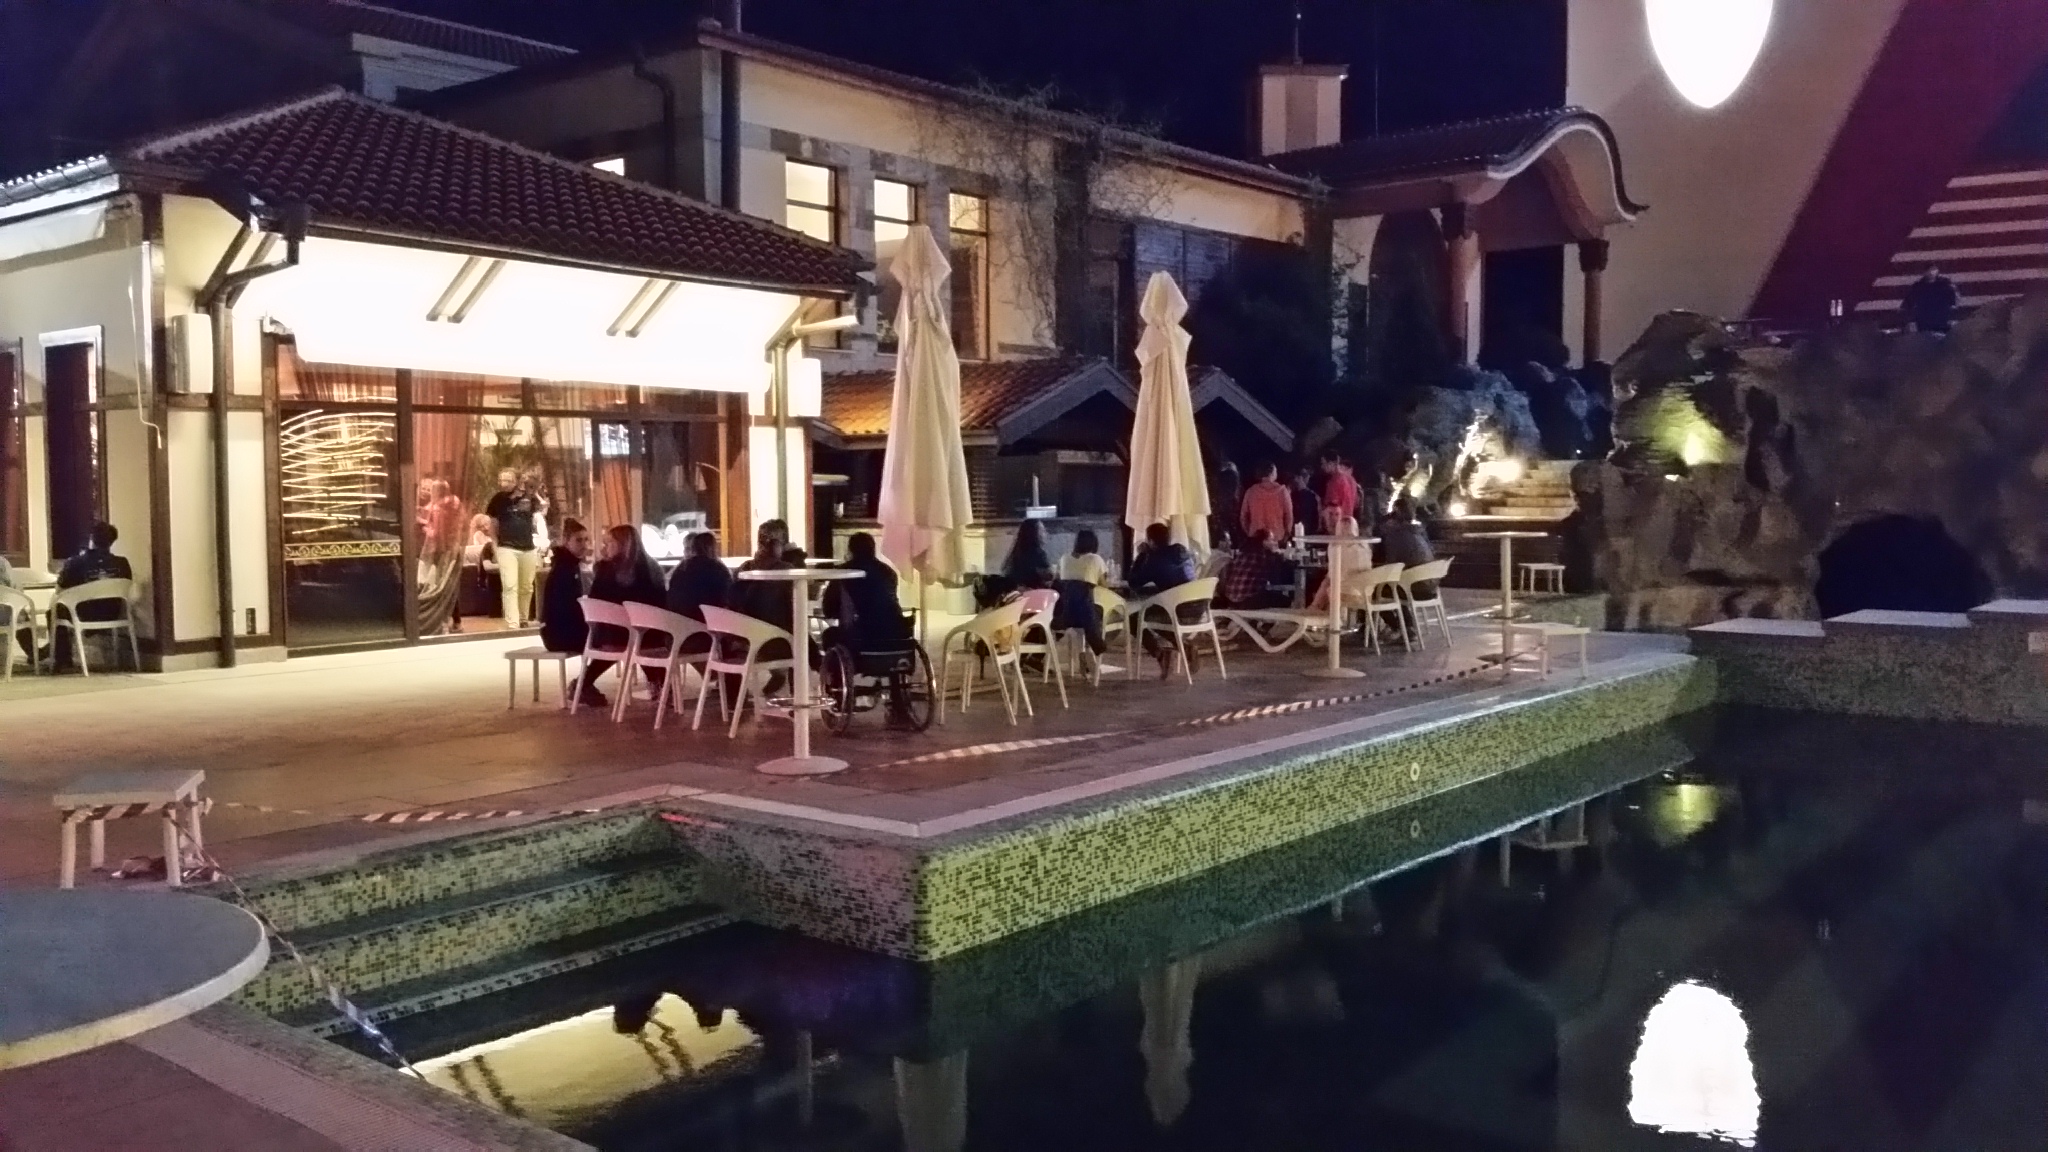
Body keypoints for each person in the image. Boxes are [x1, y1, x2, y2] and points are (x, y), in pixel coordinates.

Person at [539, 519, 606, 708]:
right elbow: (565, 609)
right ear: (566, 541)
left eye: (586, 540)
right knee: (610, 641)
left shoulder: (570, 565)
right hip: (558, 634)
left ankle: (585, 683)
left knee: (609, 639)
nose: (584, 544)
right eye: (578, 540)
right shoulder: (564, 569)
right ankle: (584, 683)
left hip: (562, 629)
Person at [1127, 522, 1197, 678]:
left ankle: (1160, 654)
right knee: (1154, 615)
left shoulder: (1154, 559)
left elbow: (1134, 582)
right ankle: (1184, 647)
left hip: (1175, 611)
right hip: (1197, 608)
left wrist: (1142, 555)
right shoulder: (1182, 550)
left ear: (1151, 541)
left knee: (1134, 620)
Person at [821, 532, 910, 651]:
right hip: (894, 634)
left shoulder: (842, 573)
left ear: (850, 550)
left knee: (829, 635)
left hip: (858, 637)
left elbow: (828, 610)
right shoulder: (888, 572)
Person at [485, 468, 541, 628]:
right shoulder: (497, 500)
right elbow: (493, 526)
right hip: (506, 547)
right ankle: (512, 622)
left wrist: (529, 489)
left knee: (526, 587)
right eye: (501, 480)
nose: (504, 483)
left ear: (516, 482)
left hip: (528, 547)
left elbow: (540, 504)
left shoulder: (528, 497)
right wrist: (495, 547)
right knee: (510, 585)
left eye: (508, 480)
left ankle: (523, 618)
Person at [57, 521, 133, 621]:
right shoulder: (122, 563)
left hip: (82, 616)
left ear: (91, 539)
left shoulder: (74, 563)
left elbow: (59, 589)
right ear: (112, 542)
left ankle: (63, 631)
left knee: (55, 609)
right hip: (113, 614)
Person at [1054, 529, 1111, 656]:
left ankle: (1086, 650)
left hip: (1066, 615)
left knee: (1077, 592)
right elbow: (1104, 588)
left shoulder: (1064, 558)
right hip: (1087, 614)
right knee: (1097, 604)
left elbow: (1057, 582)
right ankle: (1091, 645)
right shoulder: (1095, 559)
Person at [666, 530, 731, 623]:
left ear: (694, 549)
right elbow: (727, 599)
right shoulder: (720, 570)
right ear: (714, 548)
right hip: (709, 622)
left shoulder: (682, 568)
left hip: (679, 621)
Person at [1217, 530, 1290, 610]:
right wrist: (1277, 554)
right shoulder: (1262, 555)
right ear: (1264, 541)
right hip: (1248, 600)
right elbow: (1275, 573)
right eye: (1272, 540)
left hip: (1230, 599)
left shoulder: (1243, 553)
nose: (1275, 543)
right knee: (1285, 600)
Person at [1239, 463, 1293, 546]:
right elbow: (1289, 515)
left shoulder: (1251, 492)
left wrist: (1249, 532)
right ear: (1271, 473)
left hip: (1256, 537)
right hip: (1277, 537)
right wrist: (1287, 533)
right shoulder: (1282, 492)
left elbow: (1243, 516)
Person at [1903, 266, 1959, 335]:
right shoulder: (1917, 287)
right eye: (1928, 270)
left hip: (1942, 321)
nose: (1931, 272)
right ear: (1924, 272)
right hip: (1924, 323)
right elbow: (1908, 304)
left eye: (1933, 269)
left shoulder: (1945, 285)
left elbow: (1953, 302)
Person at [1319, 453, 1361, 534]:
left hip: (1337, 526)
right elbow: (1356, 503)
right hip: (1349, 525)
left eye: (1323, 463)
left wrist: (1329, 527)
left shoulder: (1335, 481)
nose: (1322, 467)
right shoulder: (1351, 479)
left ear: (1332, 463)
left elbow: (1333, 508)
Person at [1289, 468, 1320, 540]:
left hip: (1306, 529)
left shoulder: (1312, 495)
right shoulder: (1293, 495)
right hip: (1301, 529)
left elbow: (1316, 513)